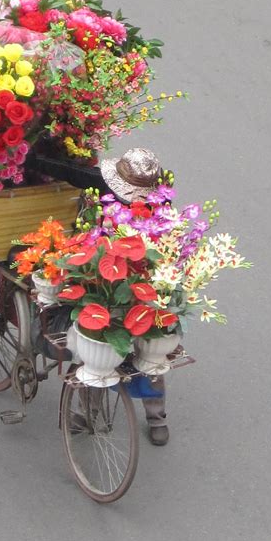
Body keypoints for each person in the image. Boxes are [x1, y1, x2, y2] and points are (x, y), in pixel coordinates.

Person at [31, 147, 171, 446]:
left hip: (121, 282)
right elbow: (71, 171)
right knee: (147, 349)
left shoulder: (125, 195)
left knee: (100, 342)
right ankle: (153, 418)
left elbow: (69, 171)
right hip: (128, 283)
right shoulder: (159, 198)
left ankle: (98, 413)